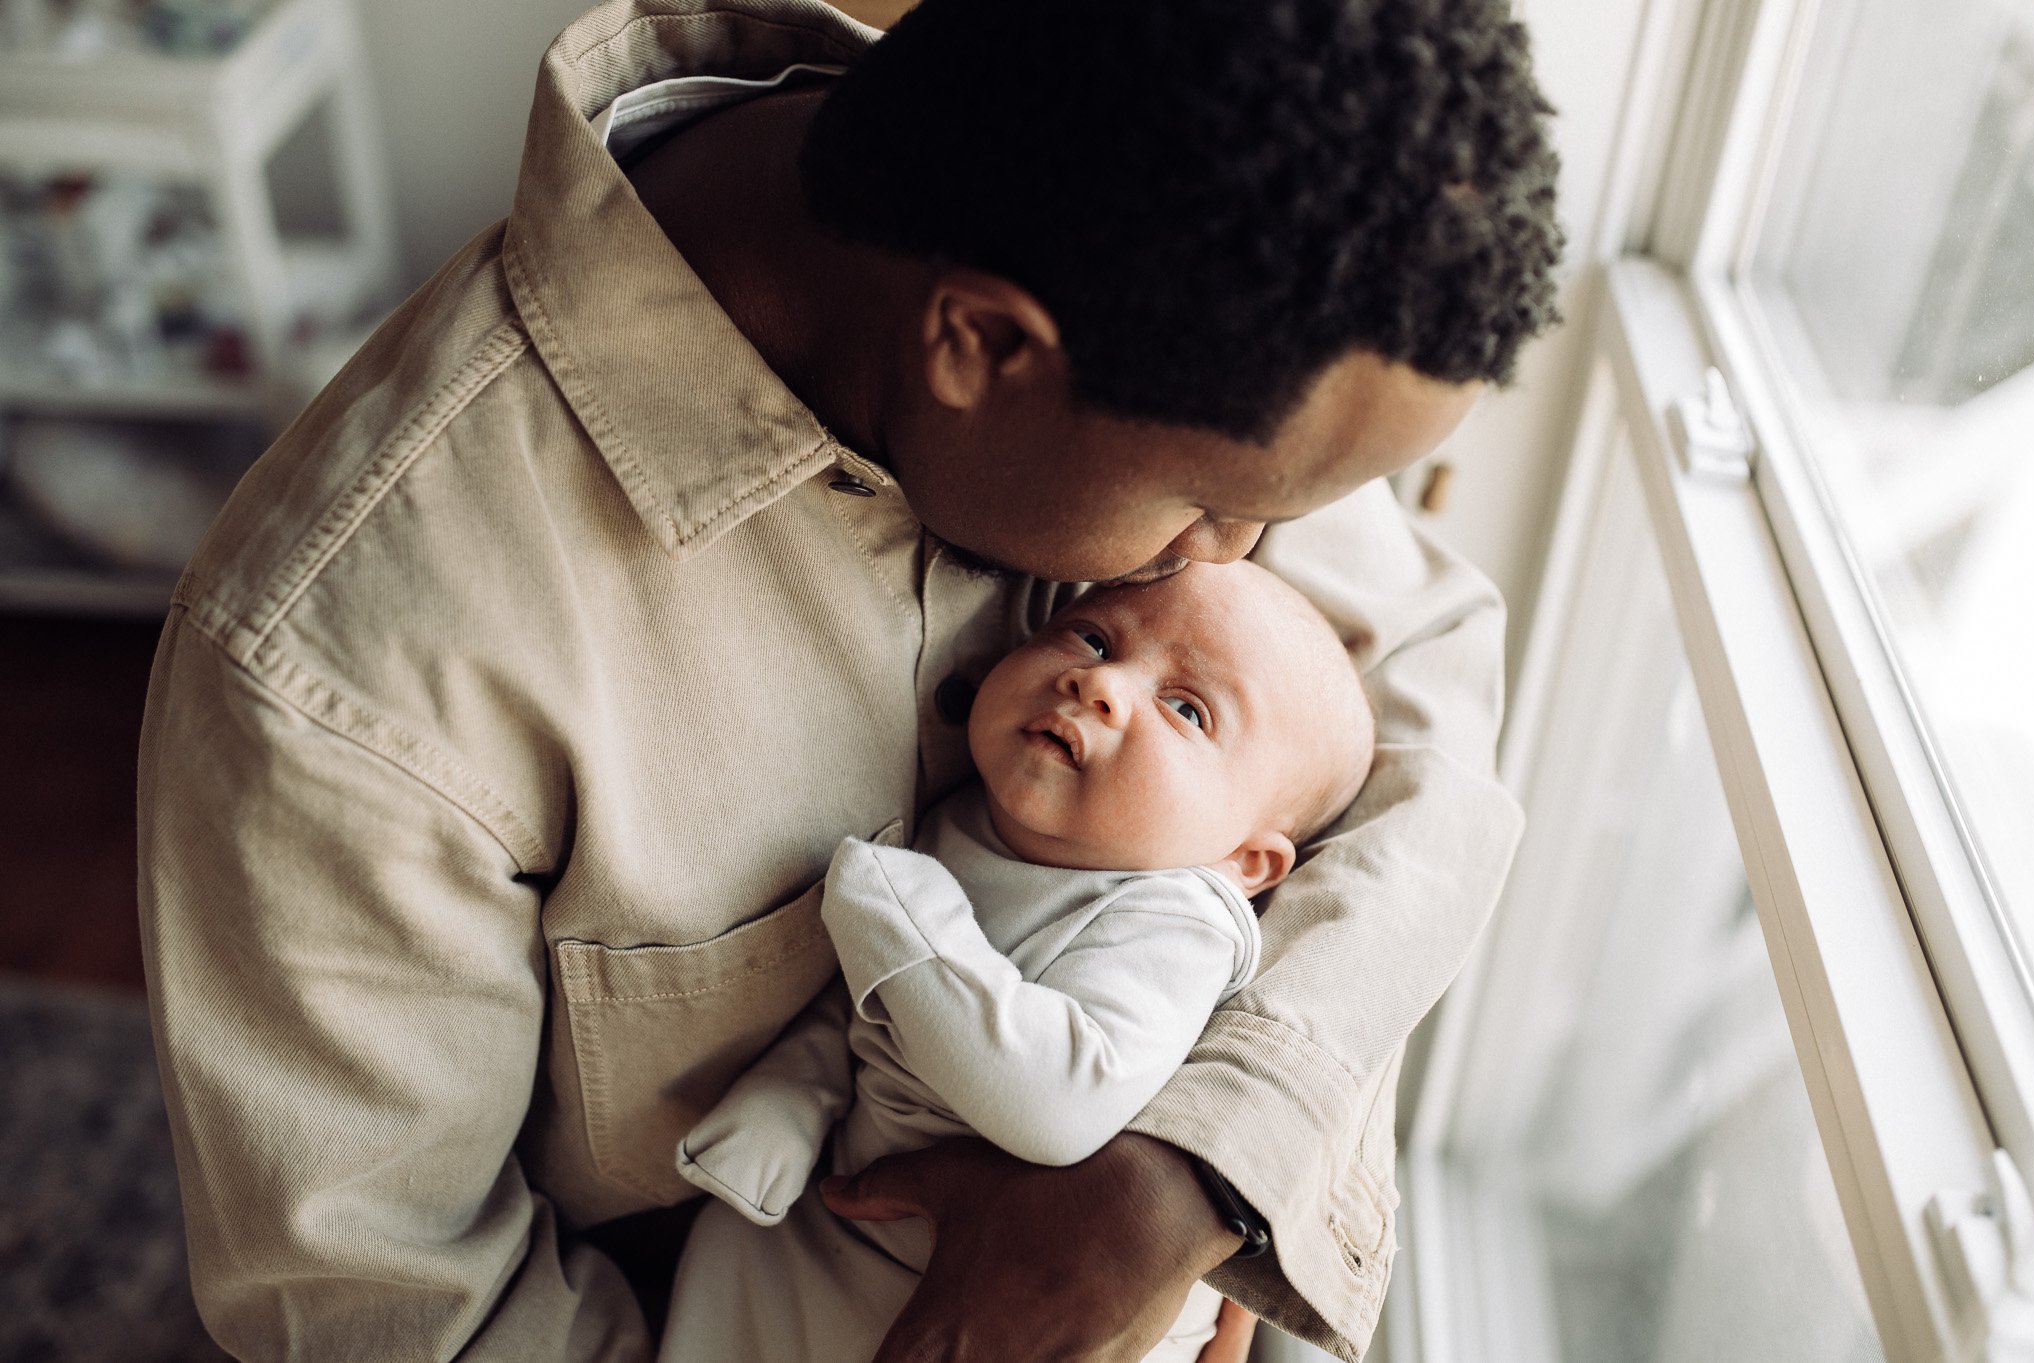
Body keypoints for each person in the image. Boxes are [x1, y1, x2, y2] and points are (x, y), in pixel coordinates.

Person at [134, 0, 1563, 1359]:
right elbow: (401, 1311)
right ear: (981, 344)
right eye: (1214, 512)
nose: (1248, 558)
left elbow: (1426, 720)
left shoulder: (1204, 282)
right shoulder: (343, 677)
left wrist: (1189, 1171)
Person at [663, 561, 1376, 1363]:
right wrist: (796, 1094)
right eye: (1092, 634)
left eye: (1186, 709)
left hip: (1022, 1302)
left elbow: (1061, 1096)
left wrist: (907, 922)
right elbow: (864, 1006)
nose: (1100, 682)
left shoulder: (1178, 917)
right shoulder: (974, 819)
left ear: (1245, 861)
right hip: (849, 1237)